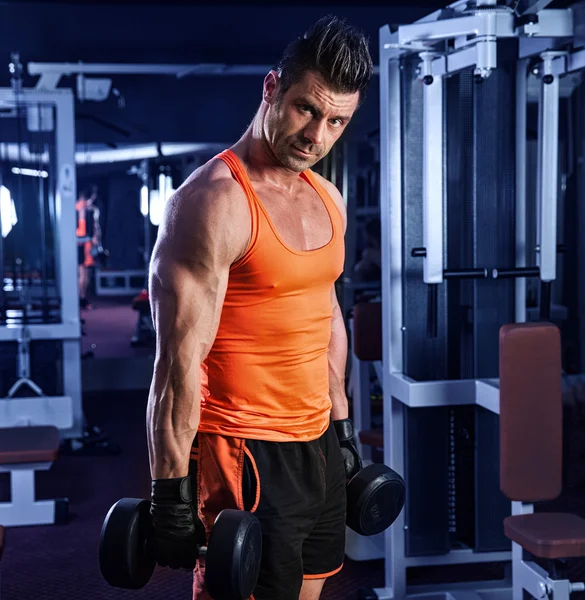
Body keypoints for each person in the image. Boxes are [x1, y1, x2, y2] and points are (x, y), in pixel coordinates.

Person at [147, 16, 373, 600]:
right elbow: (176, 366)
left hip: (317, 444)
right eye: (305, 109)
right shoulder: (214, 202)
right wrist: (168, 492)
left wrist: (342, 426)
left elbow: (325, 315)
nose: (316, 136)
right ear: (271, 87)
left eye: (336, 122)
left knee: (310, 588)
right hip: (243, 448)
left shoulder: (329, 198)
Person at [75, 186, 100, 308]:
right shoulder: (80, 208)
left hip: (87, 245)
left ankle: (83, 298)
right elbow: (81, 232)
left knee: (87, 274)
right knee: (82, 274)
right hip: (82, 245)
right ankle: (80, 299)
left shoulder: (89, 209)